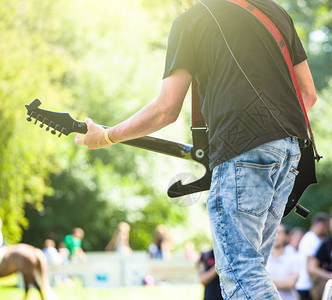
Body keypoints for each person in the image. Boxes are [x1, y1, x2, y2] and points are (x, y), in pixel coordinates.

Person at [75, 0, 317, 298]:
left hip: (242, 153)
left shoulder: (190, 21)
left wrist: (108, 136)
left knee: (241, 275)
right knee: (252, 272)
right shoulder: (274, 11)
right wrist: (271, 136)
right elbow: (308, 95)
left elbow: (166, 109)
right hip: (290, 151)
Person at [294, 213, 328, 300]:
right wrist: (315, 285)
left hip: (306, 284)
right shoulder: (311, 239)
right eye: (327, 226)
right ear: (321, 225)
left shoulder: (311, 238)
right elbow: (309, 263)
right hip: (306, 285)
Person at [267, 223, 300, 300]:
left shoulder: (294, 257)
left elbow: (290, 283)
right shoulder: (262, 257)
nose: (275, 236)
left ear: (285, 236)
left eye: (279, 233)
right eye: (273, 232)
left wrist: (263, 281)